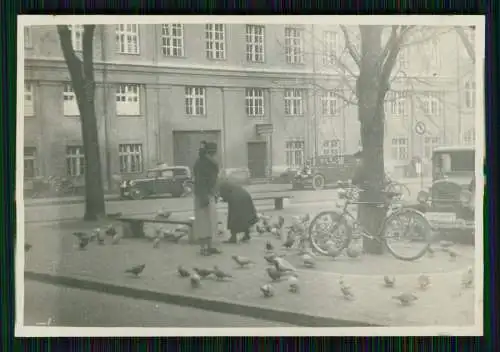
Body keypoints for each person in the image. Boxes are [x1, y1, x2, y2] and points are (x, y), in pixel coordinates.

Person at [193, 141, 221, 256]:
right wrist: (208, 194)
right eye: (214, 152)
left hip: (203, 194)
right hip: (204, 195)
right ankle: (204, 248)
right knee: (205, 221)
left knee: (206, 221)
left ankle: (207, 247)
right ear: (212, 152)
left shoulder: (200, 162)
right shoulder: (208, 163)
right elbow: (205, 181)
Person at [216, 179, 259, 244]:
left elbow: (224, 195)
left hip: (236, 198)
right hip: (245, 195)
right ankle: (247, 235)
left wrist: (220, 198)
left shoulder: (220, 185)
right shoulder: (226, 182)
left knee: (234, 217)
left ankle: (233, 237)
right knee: (246, 216)